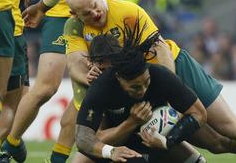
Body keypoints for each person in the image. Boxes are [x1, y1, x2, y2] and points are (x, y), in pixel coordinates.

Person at [63, 0, 236, 162]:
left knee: (231, 127)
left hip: (173, 68)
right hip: (139, 84)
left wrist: (167, 96)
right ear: (75, 15)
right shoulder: (74, 27)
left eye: (95, 6)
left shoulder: (128, 11)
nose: (96, 14)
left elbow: (160, 51)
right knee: (217, 144)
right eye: (87, 13)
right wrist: (89, 73)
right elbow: (75, 62)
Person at [1, 0, 106, 163]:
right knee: (46, 87)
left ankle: (56, 158)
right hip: (60, 14)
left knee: (90, 86)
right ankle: (10, 144)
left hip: (95, 12)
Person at [77, 22, 207, 163]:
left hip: (156, 138)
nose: (143, 90)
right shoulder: (100, 86)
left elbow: (199, 113)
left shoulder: (161, 75)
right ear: (118, 77)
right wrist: (131, 124)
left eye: (146, 82)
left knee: (215, 145)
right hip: (119, 143)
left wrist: (167, 141)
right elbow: (85, 138)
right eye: (135, 87)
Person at [0, 0, 29, 160]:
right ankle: (5, 145)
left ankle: (13, 142)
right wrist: (42, 8)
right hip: (6, 26)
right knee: (7, 101)